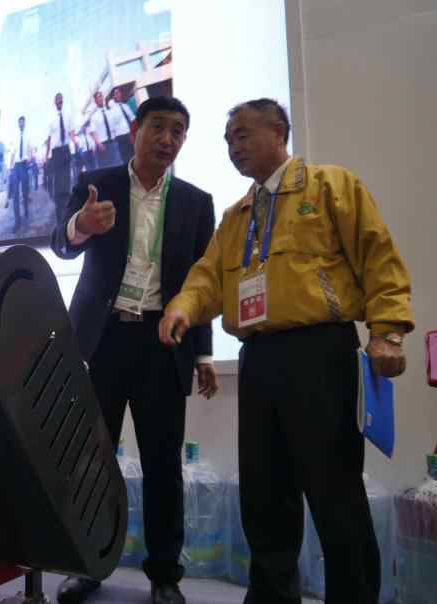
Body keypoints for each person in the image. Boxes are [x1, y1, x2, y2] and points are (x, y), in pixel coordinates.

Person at [160, 98, 414, 604]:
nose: (233, 147)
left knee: (334, 492)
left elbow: (378, 256)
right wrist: (183, 307)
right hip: (259, 360)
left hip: (320, 354)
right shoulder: (236, 216)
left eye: (243, 135)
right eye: (227, 140)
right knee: (265, 494)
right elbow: (207, 278)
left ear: (279, 132)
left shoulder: (331, 186)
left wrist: (387, 331)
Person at [51, 96, 218, 604]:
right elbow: (59, 243)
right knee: (89, 462)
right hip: (101, 341)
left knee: (163, 464)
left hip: (163, 344)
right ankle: (87, 564)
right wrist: (82, 225)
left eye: (178, 131)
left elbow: (201, 284)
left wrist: (203, 354)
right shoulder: (96, 184)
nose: (168, 139)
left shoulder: (196, 202)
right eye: (159, 127)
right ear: (135, 130)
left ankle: (165, 574)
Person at [46, 92, 77, 225]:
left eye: (61, 99)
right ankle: (60, 217)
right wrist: (47, 156)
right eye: (58, 99)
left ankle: (67, 214)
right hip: (56, 152)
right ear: (55, 102)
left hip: (66, 150)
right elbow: (48, 138)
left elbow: (71, 132)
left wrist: (76, 144)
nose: (60, 101)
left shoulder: (68, 115)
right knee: (58, 184)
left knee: (67, 182)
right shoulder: (51, 118)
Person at [9, 115, 32, 233]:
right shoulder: (15, 136)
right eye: (20, 122)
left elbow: (29, 149)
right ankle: (17, 221)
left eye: (23, 122)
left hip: (24, 165)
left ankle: (26, 209)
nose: (21, 124)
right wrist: (10, 167)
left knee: (25, 191)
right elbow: (12, 152)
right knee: (15, 194)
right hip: (16, 166)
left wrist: (30, 159)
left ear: (25, 123)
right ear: (18, 124)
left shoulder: (28, 136)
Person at [88, 90, 121, 169]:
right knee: (106, 168)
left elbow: (115, 126)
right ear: (95, 101)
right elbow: (93, 132)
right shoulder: (94, 116)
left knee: (118, 166)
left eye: (101, 96)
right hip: (103, 146)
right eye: (98, 97)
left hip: (113, 143)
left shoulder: (110, 112)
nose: (100, 98)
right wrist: (99, 144)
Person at [112, 87, 136, 164]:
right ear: (113, 96)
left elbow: (133, 119)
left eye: (119, 92)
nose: (118, 95)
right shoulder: (111, 109)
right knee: (126, 158)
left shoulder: (126, 106)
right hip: (121, 137)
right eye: (116, 93)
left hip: (131, 134)